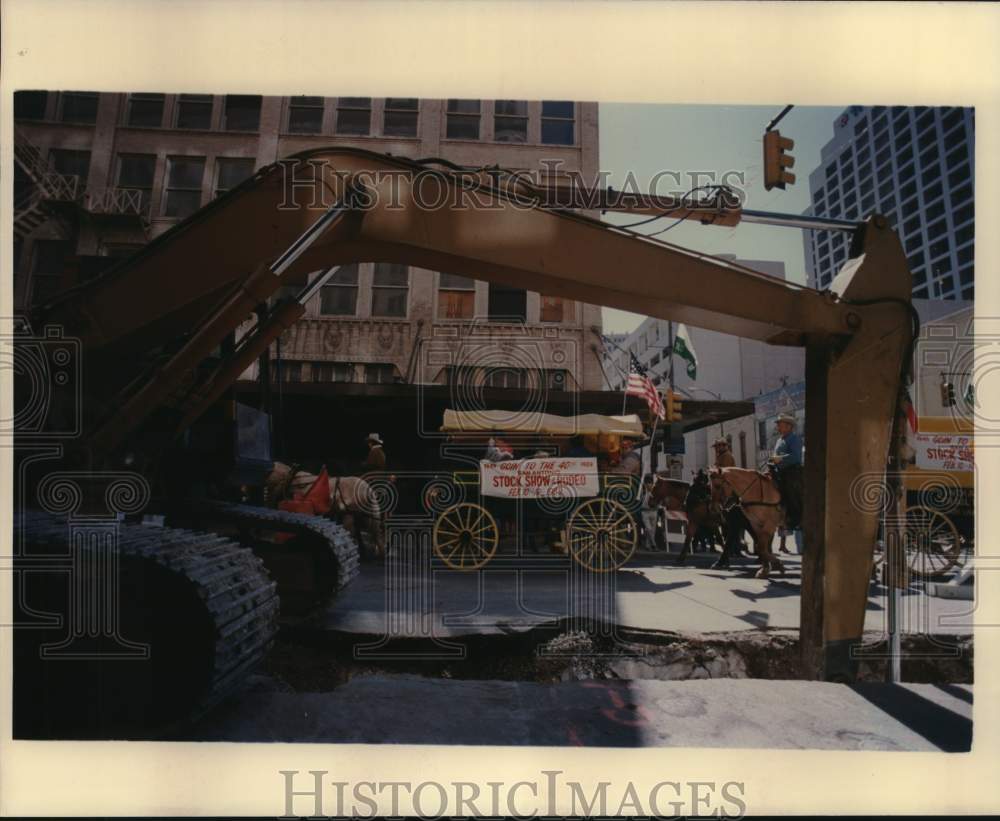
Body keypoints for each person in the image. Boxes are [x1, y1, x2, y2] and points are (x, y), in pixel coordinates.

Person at [768, 413, 804, 553]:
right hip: (779, 472)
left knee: (790, 492)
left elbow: (795, 457)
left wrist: (780, 459)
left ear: (789, 426)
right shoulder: (779, 440)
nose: (777, 426)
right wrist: (772, 461)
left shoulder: (794, 439)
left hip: (791, 472)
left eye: (780, 423)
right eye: (777, 423)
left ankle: (794, 517)